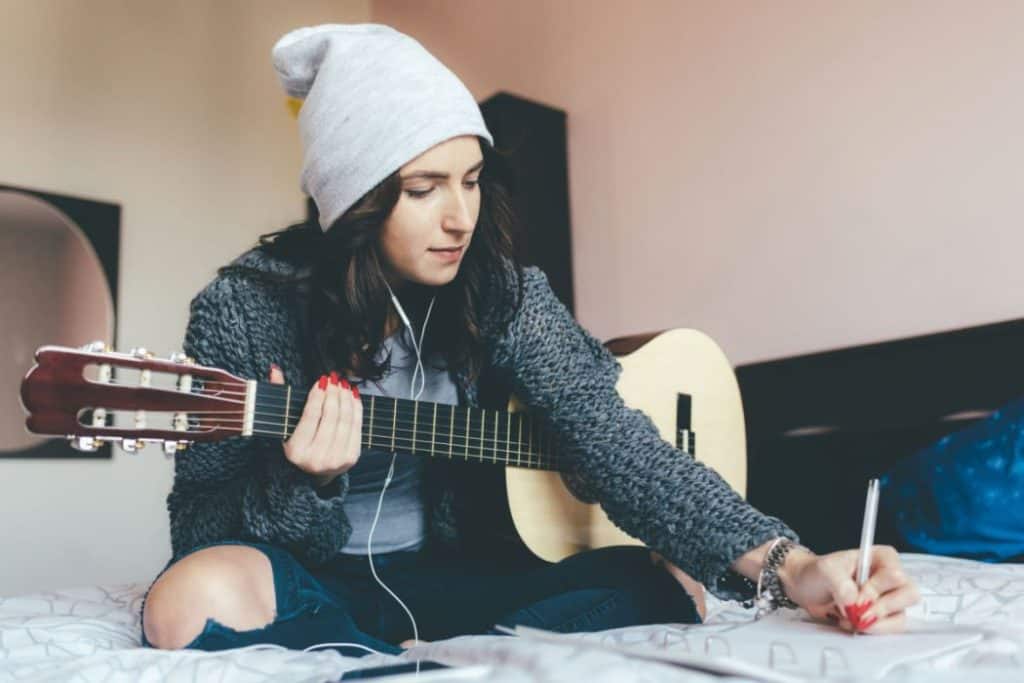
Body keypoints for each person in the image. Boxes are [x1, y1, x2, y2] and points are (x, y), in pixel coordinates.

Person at [140, 23, 919, 656]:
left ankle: (386, 648)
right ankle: (404, 645)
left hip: (458, 571)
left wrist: (795, 564)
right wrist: (298, 481)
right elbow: (197, 526)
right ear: (353, 202)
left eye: (472, 180)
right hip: (320, 574)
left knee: (668, 585)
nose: (460, 217)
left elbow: (618, 446)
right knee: (184, 600)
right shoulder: (245, 308)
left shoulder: (501, 291)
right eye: (423, 189)